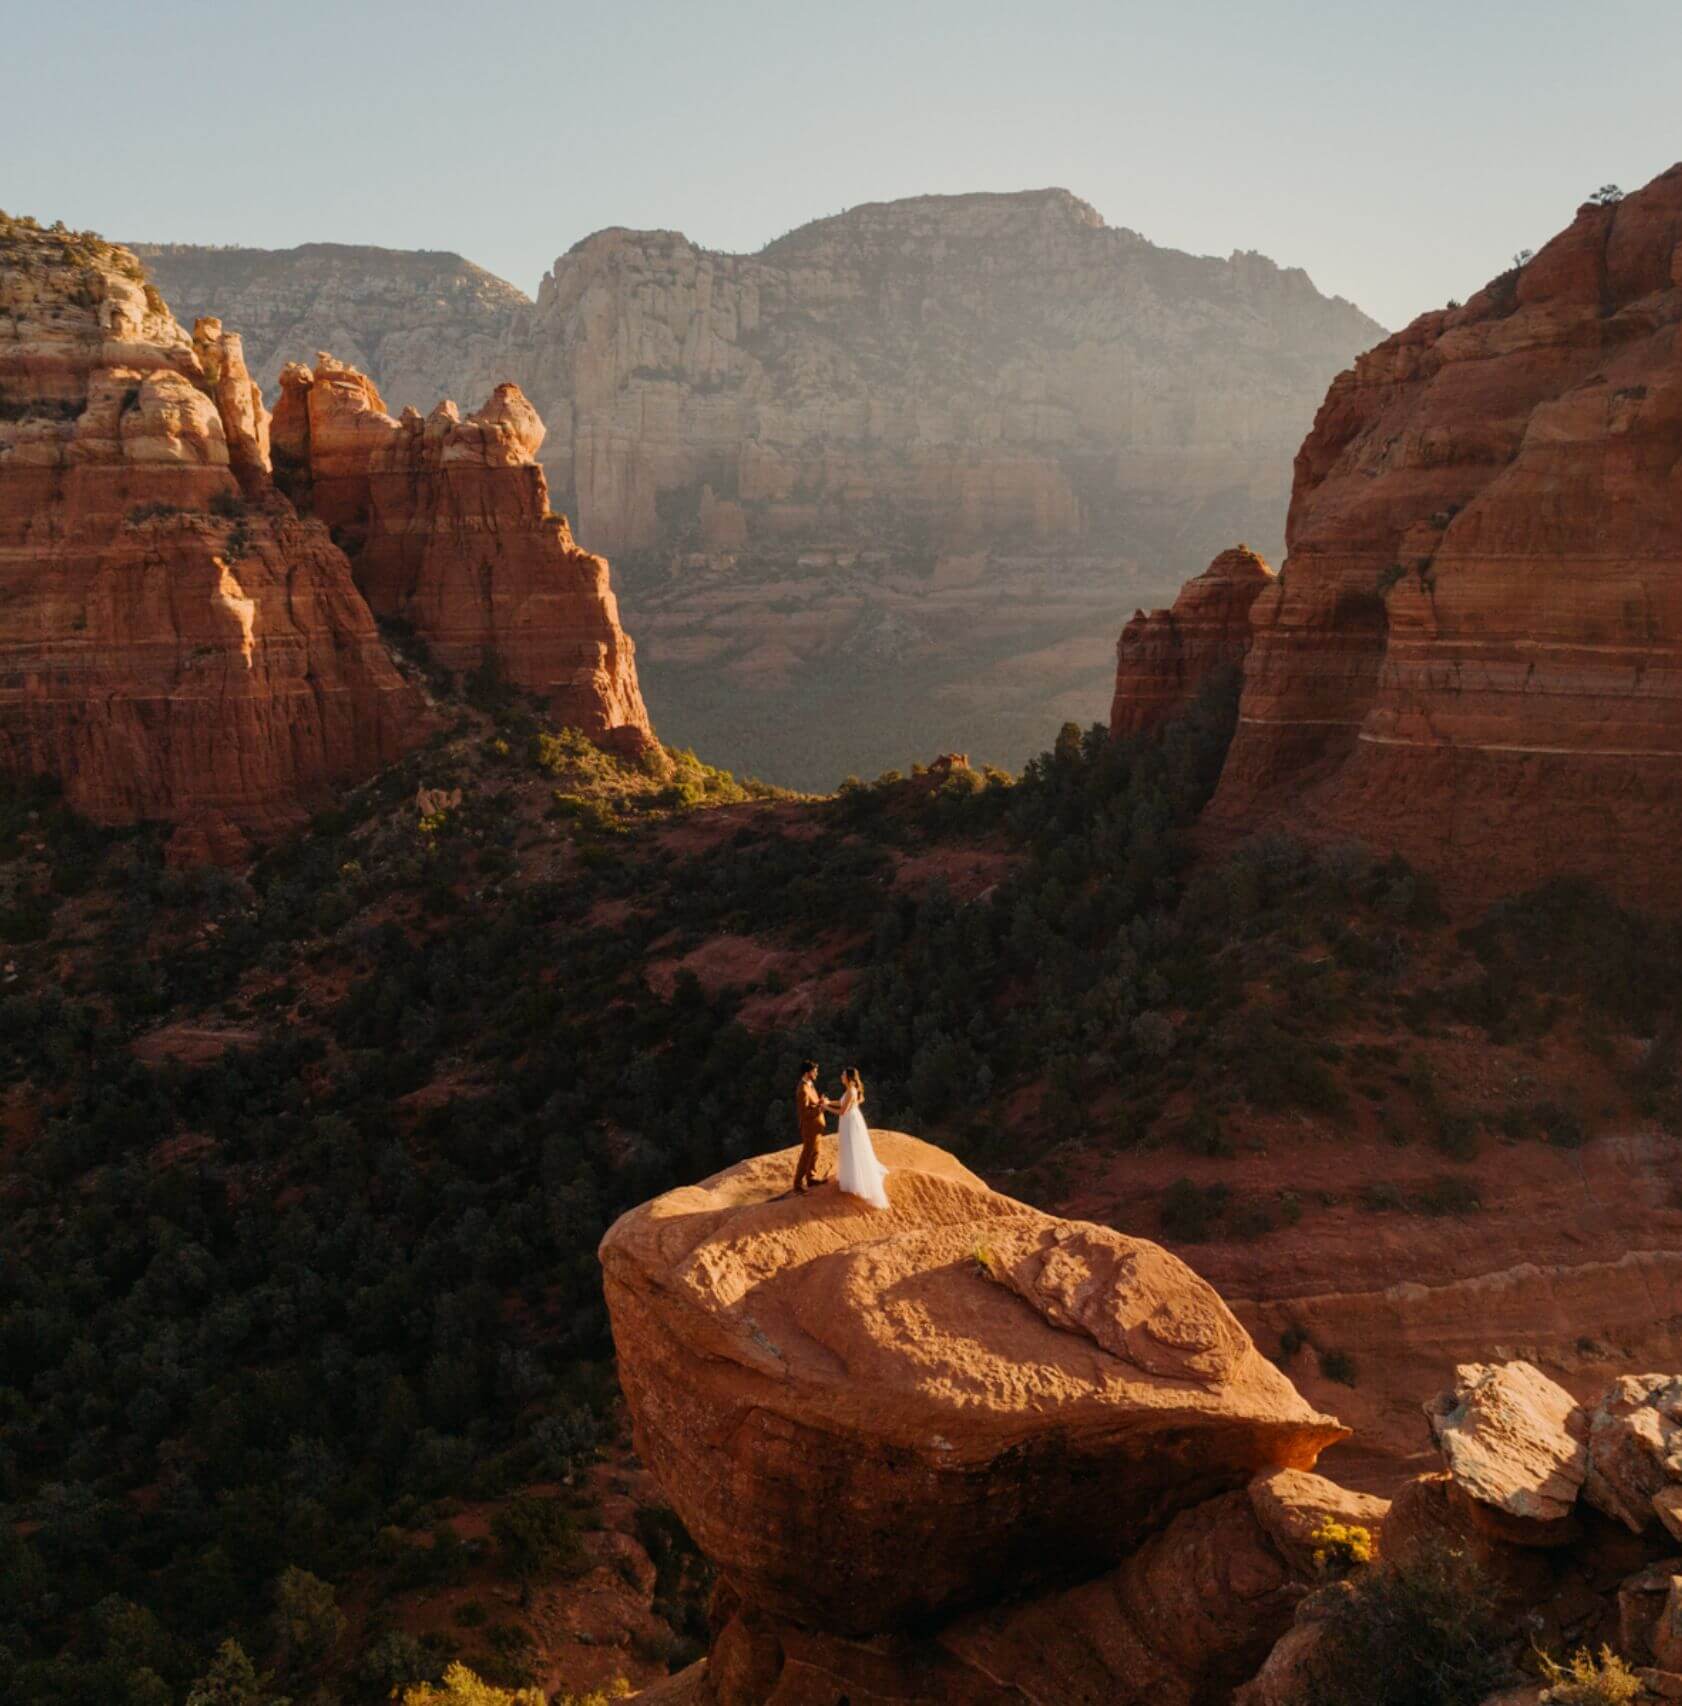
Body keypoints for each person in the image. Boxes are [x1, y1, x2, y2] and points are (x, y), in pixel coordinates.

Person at [834, 1067, 890, 1210]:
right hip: (850, 1121)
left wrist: (825, 1107)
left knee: (853, 1148)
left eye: (843, 1074)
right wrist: (827, 1102)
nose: (841, 1076)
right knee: (849, 1148)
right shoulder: (850, 1090)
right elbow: (842, 1102)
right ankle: (851, 1178)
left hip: (850, 1121)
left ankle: (857, 1181)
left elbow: (842, 1111)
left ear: (849, 1078)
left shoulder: (851, 1091)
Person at [793, 1060, 836, 1194]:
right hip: (809, 1127)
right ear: (808, 1073)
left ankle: (811, 1178)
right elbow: (804, 1113)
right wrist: (821, 1108)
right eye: (815, 1071)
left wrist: (819, 1102)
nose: (817, 1073)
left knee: (815, 1152)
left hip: (816, 1127)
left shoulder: (810, 1085)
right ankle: (798, 1185)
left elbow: (812, 1104)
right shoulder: (803, 1090)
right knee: (807, 1154)